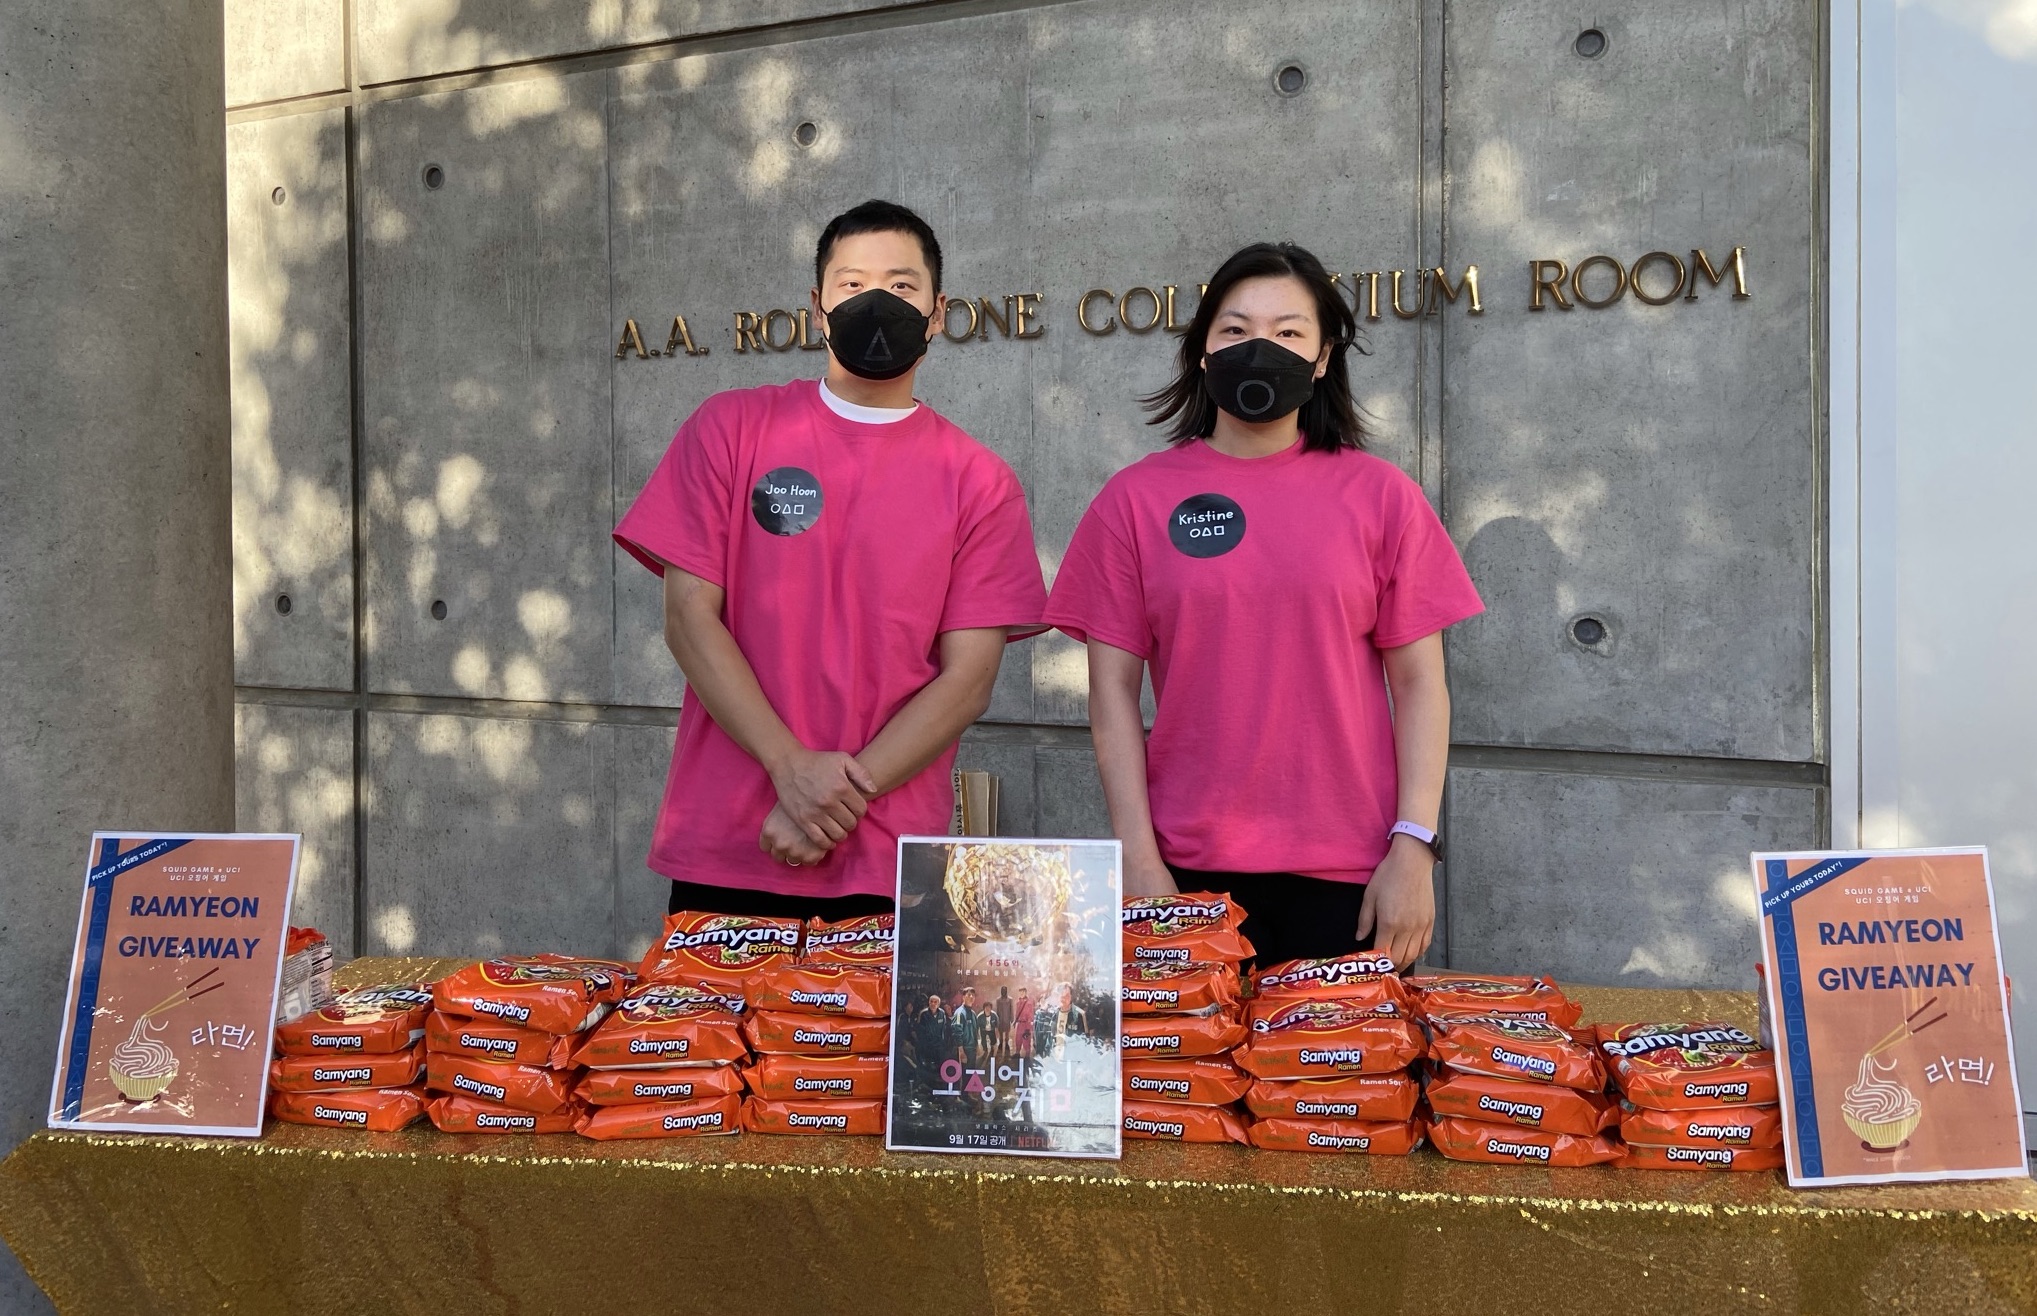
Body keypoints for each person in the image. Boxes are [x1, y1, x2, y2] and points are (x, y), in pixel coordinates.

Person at [1044, 242, 1483, 971]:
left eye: (1287, 333)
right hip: (1185, 876)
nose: (1259, 349)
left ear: (1321, 358)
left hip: (1352, 877)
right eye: (1235, 330)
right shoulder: (1135, 500)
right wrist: (1139, 864)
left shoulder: (1380, 497)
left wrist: (1415, 845)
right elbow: (1111, 693)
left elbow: (1420, 686)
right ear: (1201, 350)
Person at [614, 200, 1049, 921]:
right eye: (851, 284)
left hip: (887, 859)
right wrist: (789, 767)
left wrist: (833, 800)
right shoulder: (731, 429)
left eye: (902, 286)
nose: (876, 301)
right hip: (728, 841)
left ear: (939, 313)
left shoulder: (978, 479)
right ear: (817, 308)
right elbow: (690, 619)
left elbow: (968, 679)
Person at [912, 992, 952, 1090]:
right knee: (928, 1067)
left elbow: (943, 1029)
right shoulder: (923, 1014)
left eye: (935, 1002)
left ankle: (938, 1087)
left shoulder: (942, 1013)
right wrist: (923, 1045)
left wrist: (943, 1043)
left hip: (938, 1045)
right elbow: (919, 1031)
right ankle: (927, 1087)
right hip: (927, 1046)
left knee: (939, 1066)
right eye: (931, 1001)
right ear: (928, 1003)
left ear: (938, 1004)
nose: (933, 1004)